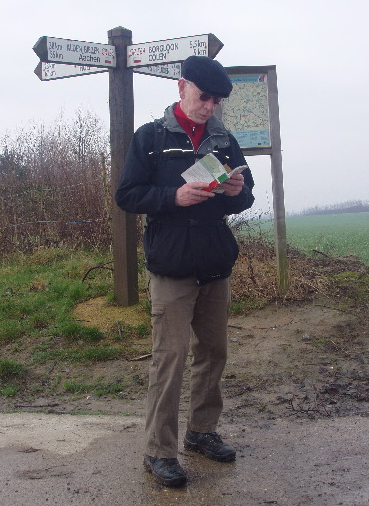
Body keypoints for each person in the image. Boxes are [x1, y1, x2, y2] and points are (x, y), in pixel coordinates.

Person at [115, 55, 255, 487]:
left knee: (213, 354)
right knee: (169, 361)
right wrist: (172, 198)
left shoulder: (224, 140)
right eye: (203, 96)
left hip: (215, 263)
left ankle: (201, 432)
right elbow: (128, 194)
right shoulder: (151, 138)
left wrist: (236, 191)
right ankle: (159, 451)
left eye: (216, 100)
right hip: (172, 266)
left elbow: (243, 199)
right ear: (181, 88)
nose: (209, 106)